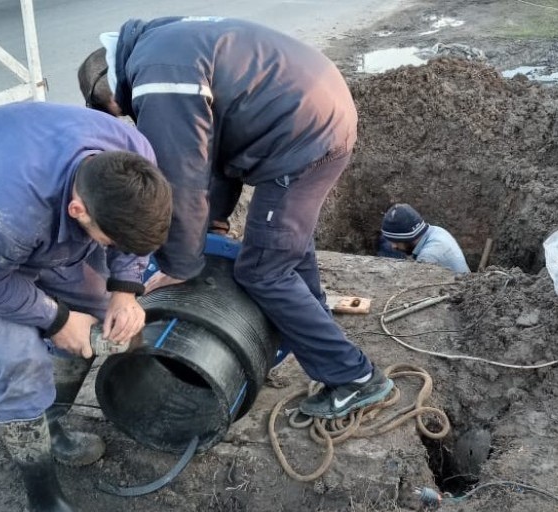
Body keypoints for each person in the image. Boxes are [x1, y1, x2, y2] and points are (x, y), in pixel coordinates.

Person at [78, 17, 394, 419]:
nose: (127, 115)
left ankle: (355, 378)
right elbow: (214, 153)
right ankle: (315, 335)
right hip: (317, 114)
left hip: (303, 136)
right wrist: (215, 223)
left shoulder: (157, 81)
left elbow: (181, 178)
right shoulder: (162, 45)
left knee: (264, 269)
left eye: (120, 112)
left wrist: (180, 265)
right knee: (284, 247)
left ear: (111, 96)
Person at [0, 102, 173, 512]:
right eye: (109, 239)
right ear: (79, 209)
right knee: (20, 360)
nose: (114, 247)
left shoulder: (134, 155)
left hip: (42, 231)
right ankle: (42, 499)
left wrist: (126, 289)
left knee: (101, 317)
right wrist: (57, 319)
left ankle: (52, 424)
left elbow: (131, 235)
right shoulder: (3, 215)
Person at [381, 203, 471, 274]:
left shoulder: (428, 257)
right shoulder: (436, 231)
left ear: (409, 237)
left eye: (397, 241)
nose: (393, 246)